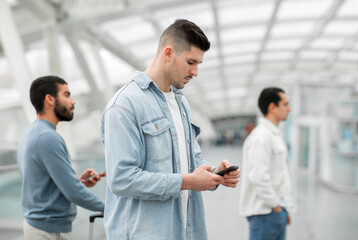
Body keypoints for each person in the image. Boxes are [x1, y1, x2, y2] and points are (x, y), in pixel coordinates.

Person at [100, 19, 240, 240]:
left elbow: (191, 161)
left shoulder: (181, 103)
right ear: (168, 53)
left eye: (199, 64)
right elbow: (121, 179)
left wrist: (214, 175)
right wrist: (187, 181)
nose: (195, 72)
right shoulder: (125, 105)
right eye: (191, 62)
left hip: (183, 231)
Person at [17, 76, 105, 240]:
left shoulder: (32, 132)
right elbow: (74, 193)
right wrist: (110, 208)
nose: (73, 102)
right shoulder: (48, 138)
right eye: (66, 95)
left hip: (41, 227)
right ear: (50, 99)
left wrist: (77, 182)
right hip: (49, 232)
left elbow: (42, 185)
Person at [238, 87, 297, 240]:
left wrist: (284, 209)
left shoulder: (273, 134)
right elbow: (258, 176)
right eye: (285, 104)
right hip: (265, 213)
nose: (289, 109)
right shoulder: (261, 137)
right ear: (272, 107)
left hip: (275, 211)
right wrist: (276, 206)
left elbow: (281, 175)